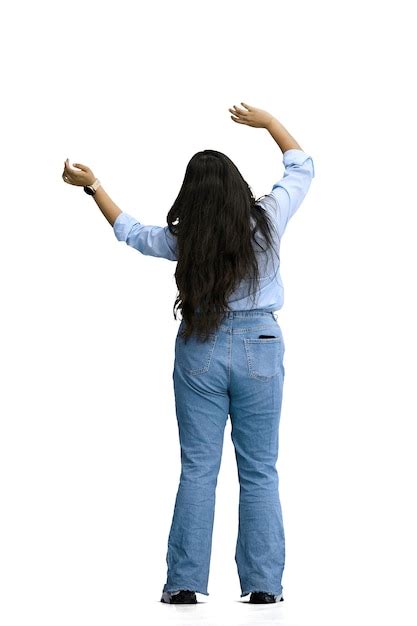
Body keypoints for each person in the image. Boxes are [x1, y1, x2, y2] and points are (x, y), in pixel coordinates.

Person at [61, 102, 315, 605]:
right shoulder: (267, 220)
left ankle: (183, 585)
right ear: (237, 187)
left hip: (199, 346)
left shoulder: (187, 239)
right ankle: (263, 586)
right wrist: (268, 124)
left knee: (198, 467)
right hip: (260, 348)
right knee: (260, 468)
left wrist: (93, 187)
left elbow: (132, 233)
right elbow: (302, 166)